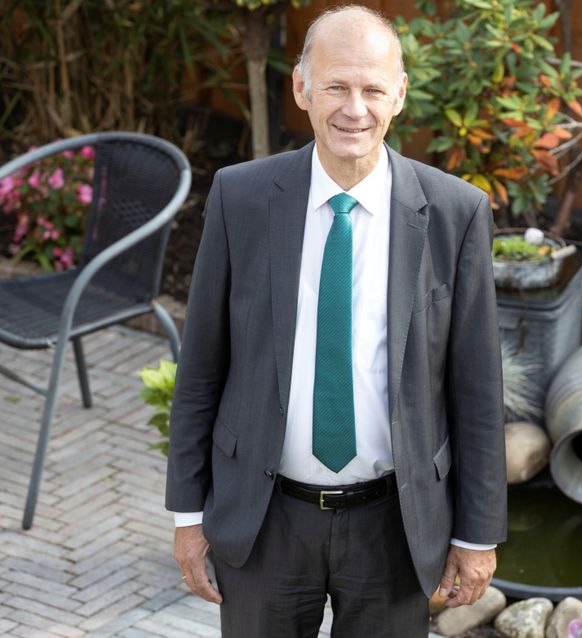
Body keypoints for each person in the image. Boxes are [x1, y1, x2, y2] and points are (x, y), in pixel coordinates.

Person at [165, 5, 506, 636]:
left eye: (374, 88)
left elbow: (478, 391)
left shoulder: (456, 214)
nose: (355, 109)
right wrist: (189, 515)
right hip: (265, 519)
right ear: (302, 89)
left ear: (400, 94)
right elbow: (203, 366)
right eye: (336, 87)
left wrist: (477, 534)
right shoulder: (240, 198)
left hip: (394, 527)